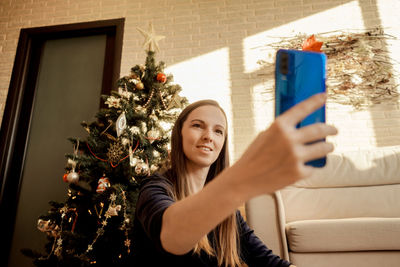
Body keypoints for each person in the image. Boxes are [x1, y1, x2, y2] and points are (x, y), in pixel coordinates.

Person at [131, 93, 337, 266]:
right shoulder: (155, 188)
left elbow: (268, 261)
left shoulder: (227, 214)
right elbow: (172, 235)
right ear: (179, 135)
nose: (209, 136)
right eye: (197, 126)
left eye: (218, 131)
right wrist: (244, 175)